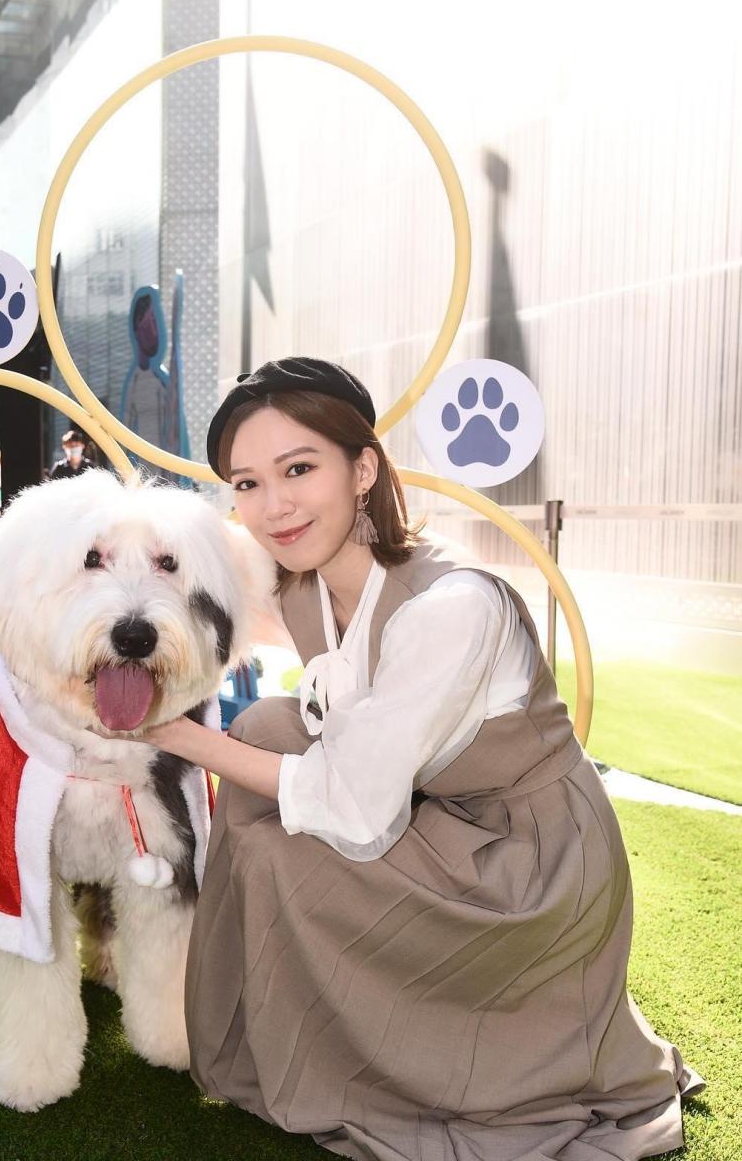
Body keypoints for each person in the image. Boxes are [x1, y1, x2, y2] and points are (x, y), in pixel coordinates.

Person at [137, 357, 704, 1160]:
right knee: (266, 724)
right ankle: (318, 1025)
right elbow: (194, 608)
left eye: (299, 469)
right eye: (247, 483)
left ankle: (404, 1056)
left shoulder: (449, 606)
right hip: (444, 814)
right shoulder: (306, 584)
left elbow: (355, 811)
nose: (273, 506)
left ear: (362, 467)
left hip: (527, 864)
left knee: (271, 843)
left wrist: (183, 739)